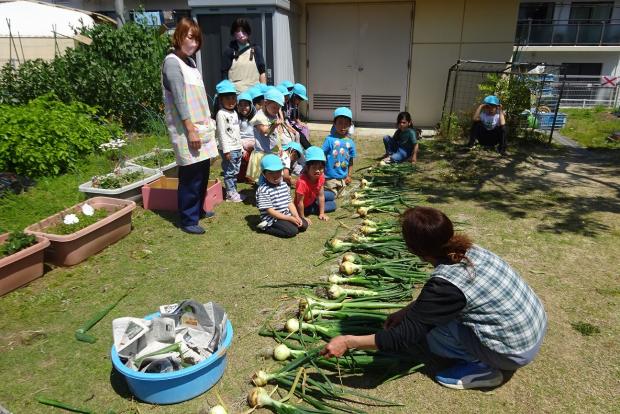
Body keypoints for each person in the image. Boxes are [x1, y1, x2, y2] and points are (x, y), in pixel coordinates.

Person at [321, 206, 547, 390]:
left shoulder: (445, 286)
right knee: (435, 320)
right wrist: (406, 311)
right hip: (533, 327)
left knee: (434, 336)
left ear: (414, 249)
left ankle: (483, 367)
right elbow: (439, 301)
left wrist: (348, 341)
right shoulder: (468, 250)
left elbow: (401, 337)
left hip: (512, 351)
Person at [161, 18, 218, 235]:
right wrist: (190, 128)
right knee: (190, 175)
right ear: (179, 37)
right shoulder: (172, 62)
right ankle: (187, 219)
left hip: (200, 126)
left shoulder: (191, 63)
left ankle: (198, 210)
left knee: (202, 171)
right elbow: (179, 99)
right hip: (187, 128)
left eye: (197, 39)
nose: (193, 43)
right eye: (189, 37)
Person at [255, 154, 308, 238]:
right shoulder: (263, 190)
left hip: (286, 214)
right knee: (292, 231)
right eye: (271, 172)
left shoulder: (284, 185)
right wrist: (289, 219)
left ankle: (289, 223)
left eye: (278, 171)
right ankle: (265, 228)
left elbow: (289, 203)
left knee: (304, 224)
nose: (275, 175)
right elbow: (271, 211)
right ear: (264, 174)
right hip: (272, 218)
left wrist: (296, 216)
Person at [246, 88, 291, 183]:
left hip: (273, 152)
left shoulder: (273, 115)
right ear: (266, 103)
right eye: (274, 107)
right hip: (263, 153)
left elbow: (276, 136)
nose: (276, 110)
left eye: (278, 108)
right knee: (263, 178)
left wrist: (280, 148)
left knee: (273, 176)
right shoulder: (259, 117)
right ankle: (262, 194)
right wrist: (274, 126)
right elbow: (265, 132)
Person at [214, 79, 244, 203]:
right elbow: (221, 134)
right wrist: (226, 150)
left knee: (235, 171)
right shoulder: (221, 114)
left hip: (237, 147)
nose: (231, 101)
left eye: (233, 98)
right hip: (229, 149)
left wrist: (241, 147)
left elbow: (237, 132)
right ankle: (230, 194)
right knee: (229, 171)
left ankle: (233, 191)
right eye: (227, 99)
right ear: (221, 100)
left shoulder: (235, 113)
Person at [221, 18, 266, 93]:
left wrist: (264, 91)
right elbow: (224, 74)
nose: (241, 34)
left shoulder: (256, 49)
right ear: (234, 33)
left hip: (255, 94)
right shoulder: (229, 50)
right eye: (238, 31)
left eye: (243, 31)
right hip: (236, 94)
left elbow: (262, 73)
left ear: (248, 32)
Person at [295, 146, 336, 225]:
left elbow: (321, 195)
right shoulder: (302, 182)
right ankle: (314, 206)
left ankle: (316, 202)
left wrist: (322, 213)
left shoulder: (321, 176)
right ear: (307, 168)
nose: (318, 171)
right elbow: (299, 202)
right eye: (314, 168)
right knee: (333, 205)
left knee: (331, 195)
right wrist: (303, 217)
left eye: (320, 168)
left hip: (313, 198)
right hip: (306, 206)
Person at [321, 107, 356, 197]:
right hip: (329, 177)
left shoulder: (350, 142)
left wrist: (349, 175)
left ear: (350, 125)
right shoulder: (329, 140)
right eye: (340, 123)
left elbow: (351, 160)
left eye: (346, 124)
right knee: (331, 196)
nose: (343, 126)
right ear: (334, 123)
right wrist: (321, 172)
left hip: (343, 178)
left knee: (340, 196)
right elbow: (322, 156)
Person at [236, 90, 256, 183]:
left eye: (246, 105)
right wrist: (242, 147)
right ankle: (244, 175)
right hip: (241, 141)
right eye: (241, 105)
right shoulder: (237, 118)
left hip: (253, 141)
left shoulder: (255, 118)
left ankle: (251, 175)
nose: (244, 107)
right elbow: (236, 134)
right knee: (246, 153)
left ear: (251, 106)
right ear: (238, 106)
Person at [285, 83, 311, 149]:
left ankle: (304, 148)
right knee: (298, 134)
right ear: (294, 95)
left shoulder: (296, 105)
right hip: (287, 124)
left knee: (305, 128)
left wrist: (301, 123)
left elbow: (296, 118)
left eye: (301, 99)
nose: (300, 101)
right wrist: (291, 127)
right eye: (299, 98)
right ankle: (300, 149)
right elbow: (285, 119)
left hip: (293, 123)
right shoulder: (286, 103)